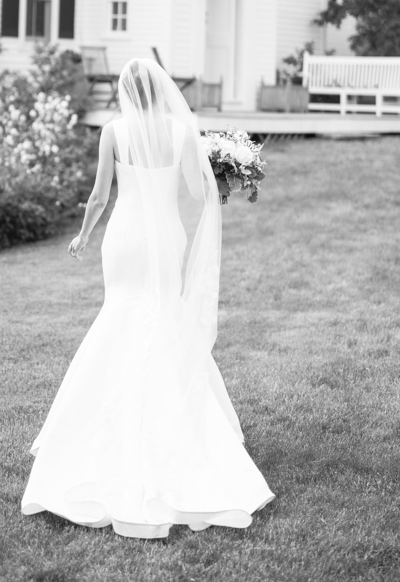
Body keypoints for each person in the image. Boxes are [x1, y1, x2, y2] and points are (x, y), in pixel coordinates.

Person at [21, 57, 273, 539]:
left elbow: (99, 196)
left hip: (125, 235)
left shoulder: (113, 132)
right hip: (166, 234)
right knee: (160, 314)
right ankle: (179, 421)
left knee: (120, 313)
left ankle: (103, 427)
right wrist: (223, 173)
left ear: (124, 91)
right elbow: (199, 195)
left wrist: (83, 236)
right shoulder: (181, 133)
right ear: (159, 90)